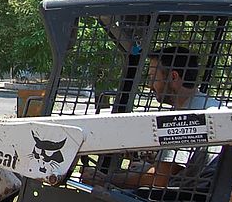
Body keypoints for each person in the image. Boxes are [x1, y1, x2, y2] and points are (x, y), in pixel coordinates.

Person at [82, 46, 221, 189]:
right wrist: (148, 166)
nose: (149, 85)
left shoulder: (184, 118)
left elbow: (160, 179)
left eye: (153, 77)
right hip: (199, 191)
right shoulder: (208, 104)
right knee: (137, 169)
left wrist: (106, 179)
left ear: (173, 77)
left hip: (182, 200)